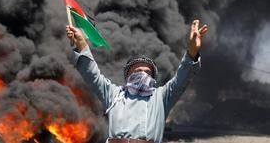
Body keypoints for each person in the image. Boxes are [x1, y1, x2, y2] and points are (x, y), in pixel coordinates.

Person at [66, 20, 208, 143]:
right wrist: (82, 45)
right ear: (128, 76)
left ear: (153, 77)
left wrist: (191, 52)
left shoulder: (161, 97)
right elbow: (92, 74)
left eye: (147, 72)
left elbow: (182, 78)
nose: (142, 74)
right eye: (137, 71)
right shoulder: (114, 94)